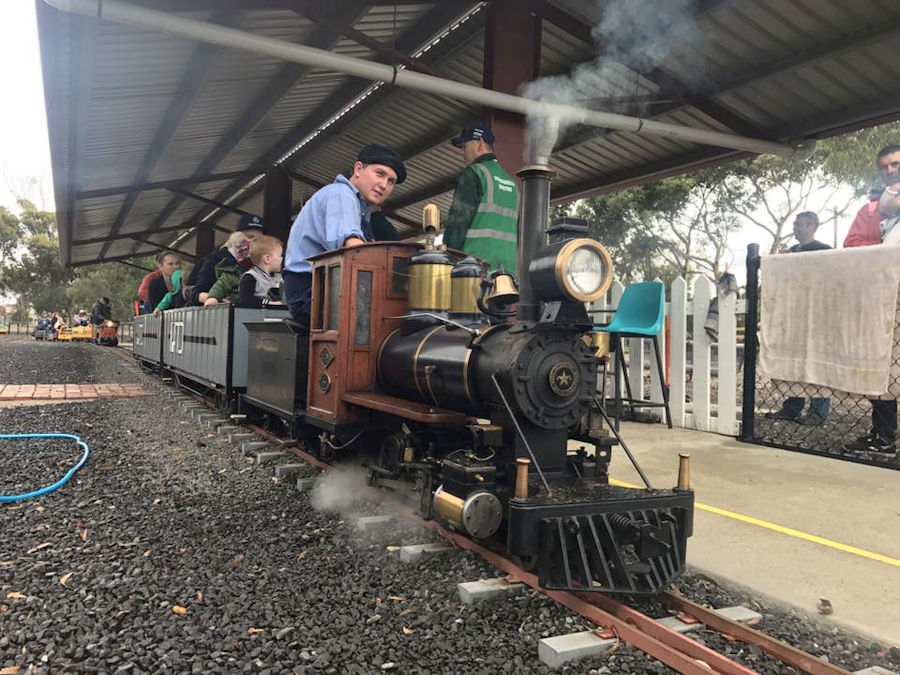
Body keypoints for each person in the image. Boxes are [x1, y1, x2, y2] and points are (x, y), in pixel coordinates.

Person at [283, 144, 407, 327]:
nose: (384, 185)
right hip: (312, 294)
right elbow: (354, 249)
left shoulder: (359, 207)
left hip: (318, 289)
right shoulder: (341, 195)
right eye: (379, 174)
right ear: (358, 169)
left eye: (391, 181)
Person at [843, 144, 900, 454]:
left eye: (896, 164)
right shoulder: (869, 210)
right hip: (882, 297)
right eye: (884, 167)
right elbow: (851, 243)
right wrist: (881, 240)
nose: (890, 170)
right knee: (882, 366)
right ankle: (884, 436)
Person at [765, 212, 832, 425]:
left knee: (818, 361)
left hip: (819, 313)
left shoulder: (825, 251)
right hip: (795, 313)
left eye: (799, 224)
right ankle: (792, 407)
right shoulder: (792, 251)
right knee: (795, 360)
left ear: (811, 225)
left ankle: (818, 412)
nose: (794, 227)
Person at [443, 123, 519, 273]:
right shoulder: (512, 184)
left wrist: (448, 260)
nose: (462, 154)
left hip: (475, 269)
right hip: (508, 273)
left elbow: (457, 224)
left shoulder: (474, 173)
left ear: (480, 144)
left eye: (465, 147)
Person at [183, 213, 265, 306]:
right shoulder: (215, 259)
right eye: (250, 237)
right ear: (236, 237)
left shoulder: (259, 263)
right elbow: (196, 293)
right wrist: (215, 299)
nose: (253, 242)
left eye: (259, 239)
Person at [202, 231, 253, 306]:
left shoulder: (264, 274)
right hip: (235, 309)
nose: (246, 254)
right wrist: (213, 298)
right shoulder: (232, 273)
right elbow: (221, 286)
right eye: (242, 250)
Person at [237, 235, 285, 308]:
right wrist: (270, 303)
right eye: (280, 255)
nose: (282, 259)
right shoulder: (250, 277)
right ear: (267, 259)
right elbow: (246, 300)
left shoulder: (279, 278)